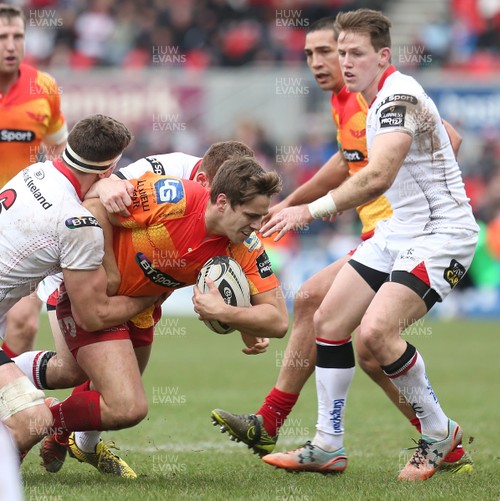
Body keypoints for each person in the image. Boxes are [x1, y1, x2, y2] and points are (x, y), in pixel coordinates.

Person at [210, 17, 472, 474]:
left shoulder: (398, 97)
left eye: (354, 54)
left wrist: (305, 210)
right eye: (341, 52)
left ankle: (439, 433)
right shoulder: (362, 104)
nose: (343, 62)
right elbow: (355, 163)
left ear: (383, 56)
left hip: (442, 234)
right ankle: (328, 444)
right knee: (327, 319)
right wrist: (295, 200)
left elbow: (378, 175)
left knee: (374, 335)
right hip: (398, 231)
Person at [35, 155, 287, 479]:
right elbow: (95, 202)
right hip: (98, 295)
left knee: (116, 395)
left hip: (141, 307)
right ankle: (33, 420)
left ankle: (67, 436)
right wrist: (108, 273)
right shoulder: (172, 195)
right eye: (251, 215)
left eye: (261, 216)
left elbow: (278, 321)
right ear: (222, 201)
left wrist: (228, 313)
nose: (256, 225)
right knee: (94, 385)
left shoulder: (245, 245)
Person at [0, 114, 160, 453]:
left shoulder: (35, 171)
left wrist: (100, 184)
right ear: (108, 170)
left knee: (65, 373)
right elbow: (92, 316)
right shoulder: (78, 224)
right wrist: (154, 292)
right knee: (35, 420)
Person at [0, 4, 69, 359]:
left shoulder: (43, 87)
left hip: (20, 222)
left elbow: (60, 147)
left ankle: (7, 404)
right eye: (2, 38)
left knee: (25, 322)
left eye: (17, 37)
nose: (10, 46)